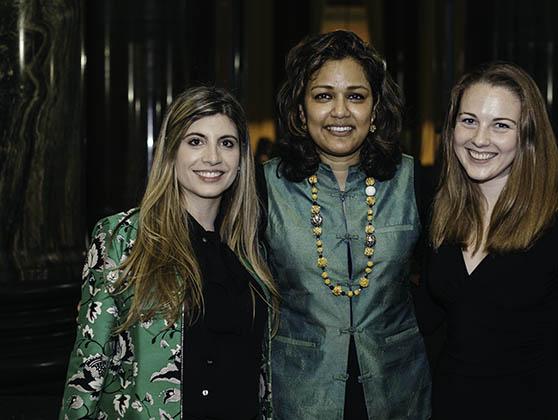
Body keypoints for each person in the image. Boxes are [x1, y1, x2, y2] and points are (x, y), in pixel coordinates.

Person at [59, 86, 277, 419]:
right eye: (195, 141)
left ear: (241, 159)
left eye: (227, 143)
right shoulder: (122, 238)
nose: (213, 158)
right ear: (171, 150)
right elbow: (89, 366)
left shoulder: (251, 250)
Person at [258, 30, 431, 419]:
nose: (340, 111)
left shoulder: (414, 182)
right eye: (323, 96)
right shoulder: (264, 186)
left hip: (398, 394)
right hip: (300, 394)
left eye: (356, 96)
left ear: (375, 110)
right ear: (301, 112)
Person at [423, 61, 558, 419]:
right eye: (469, 120)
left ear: (527, 136)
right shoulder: (442, 211)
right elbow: (430, 319)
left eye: (501, 125)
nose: (479, 139)